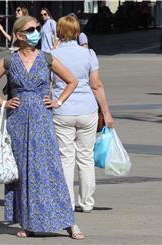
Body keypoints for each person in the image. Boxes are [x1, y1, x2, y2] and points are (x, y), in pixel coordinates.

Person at [0, 16, 85, 240]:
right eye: (31, 29)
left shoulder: (46, 58)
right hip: (17, 120)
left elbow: (72, 81)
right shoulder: (9, 59)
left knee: (51, 169)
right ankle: (28, 222)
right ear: (19, 35)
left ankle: (69, 222)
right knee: (23, 172)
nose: (36, 32)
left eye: (37, 28)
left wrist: (58, 101)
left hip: (42, 119)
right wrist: (3, 103)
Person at [51, 16, 114, 213]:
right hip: (87, 109)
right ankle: (86, 202)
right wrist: (107, 113)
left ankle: (67, 202)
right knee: (85, 157)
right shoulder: (89, 54)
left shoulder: (50, 55)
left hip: (61, 109)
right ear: (77, 32)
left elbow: (48, 83)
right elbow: (96, 85)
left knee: (65, 157)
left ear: (58, 32)